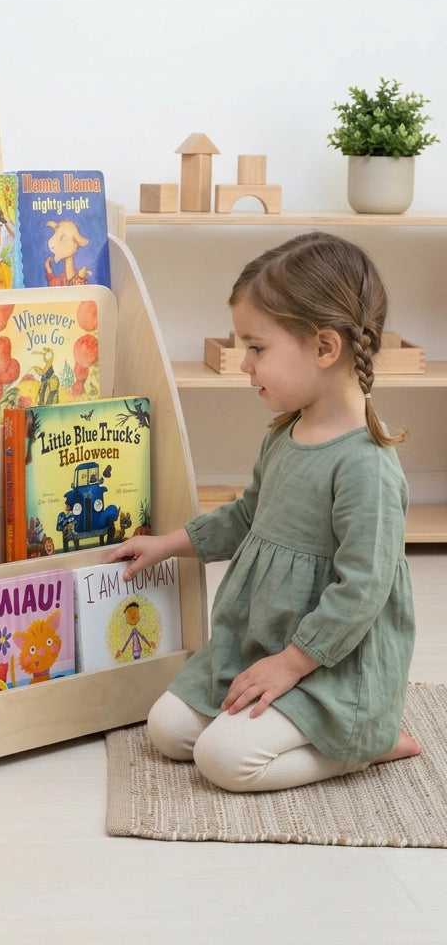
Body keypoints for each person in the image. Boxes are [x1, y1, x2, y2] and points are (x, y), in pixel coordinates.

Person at [103, 232, 421, 792]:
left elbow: (363, 589)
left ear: (325, 348)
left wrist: (292, 664)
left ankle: (363, 741)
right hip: (264, 641)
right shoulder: (286, 431)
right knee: (169, 730)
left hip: (330, 663)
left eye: (257, 348)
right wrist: (170, 543)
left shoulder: (364, 466)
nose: (244, 365)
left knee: (223, 761)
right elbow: (248, 517)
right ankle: (312, 725)